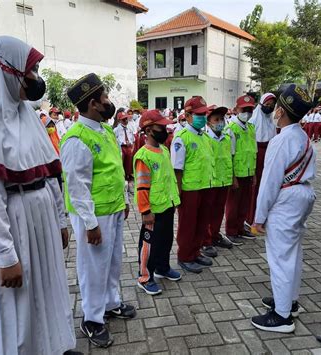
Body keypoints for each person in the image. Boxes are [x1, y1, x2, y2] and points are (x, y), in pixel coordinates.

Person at [0, 36, 76, 354]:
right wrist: (6, 257)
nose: (36, 78)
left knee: (45, 288)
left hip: (38, 217)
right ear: (7, 71)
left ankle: (51, 347)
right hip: (9, 221)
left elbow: (48, 173)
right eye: (31, 70)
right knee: (12, 303)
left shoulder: (25, 114)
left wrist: (60, 219)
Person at [61, 73, 135, 348]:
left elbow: (115, 169)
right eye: (104, 98)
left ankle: (111, 303)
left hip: (113, 209)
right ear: (93, 104)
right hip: (95, 217)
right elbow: (77, 186)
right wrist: (90, 224)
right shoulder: (76, 138)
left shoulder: (104, 131)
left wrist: (125, 201)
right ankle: (92, 318)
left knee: (113, 262)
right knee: (93, 268)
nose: (108, 102)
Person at [251, 84, 315, 333]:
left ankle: (281, 316)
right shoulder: (302, 135)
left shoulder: (281, 140)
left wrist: (259, 218)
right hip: (301, 195)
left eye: (277, 106)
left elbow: (269, 183)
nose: (274, 110)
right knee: (293, 254)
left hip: (286, 199)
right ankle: (289, 301)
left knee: (280, 258)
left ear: (282, 111)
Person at [133, 109, 181, 295]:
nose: (165, 129)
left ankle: (163, 267)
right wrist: (145, 211)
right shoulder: (143, 156)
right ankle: (145, 277)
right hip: (153, 210)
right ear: (149, 129)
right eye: (160, 126)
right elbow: (142, 187)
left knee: (166, 240)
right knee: (149, 244)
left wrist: (174, 198)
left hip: (167, 205)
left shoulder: (164, 149)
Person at [171, 96, 215, 274]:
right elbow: (177, 169)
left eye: (204, 114)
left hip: (205, 186)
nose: (203, 118)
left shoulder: (204, 136)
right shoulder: (182, 137)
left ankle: (196, 252)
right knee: (188, 225)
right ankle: (185, 256)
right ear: (187, 115)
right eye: (198, 114)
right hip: (189, 190)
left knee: (202, 223)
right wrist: (178, 193)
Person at [202, 105, 234, 256]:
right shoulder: (205, 139)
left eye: (222, 119)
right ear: (208, 123)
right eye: (216, 119)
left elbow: (230, 158)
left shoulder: (226, 138)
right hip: (210, 182)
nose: (220, 122)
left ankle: (215, 235)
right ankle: (205, 241)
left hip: (224, 181)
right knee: (207, 213)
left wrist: (232, 178)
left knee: (218, 211)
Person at [225, 95, 257, 244]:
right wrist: (232, 177)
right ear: (237, 109)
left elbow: (253, 152)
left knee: (244, 203)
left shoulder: (250, 127)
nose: (248, 113)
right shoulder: (231, 128)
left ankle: (240, 227)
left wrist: (254, 173)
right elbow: (228, 155)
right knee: (233, 205)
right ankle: (231, 231)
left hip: (249, 172)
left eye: (250, 109)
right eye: (244, 110)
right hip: (236, 173)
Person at [247, 93, 277, 235]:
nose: (269, 107)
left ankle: (264, 217)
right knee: (256, 188)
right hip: (257, 156)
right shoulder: (253, 121)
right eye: (267, 104)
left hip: (269, 156)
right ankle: (252, 218)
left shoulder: (271, 120)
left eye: (272, 105)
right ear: (261, 104)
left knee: (268, 187)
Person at [113, 112, 135, 189]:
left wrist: (132, 146)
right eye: (124, 119)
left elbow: (132, 138)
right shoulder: (116, 130)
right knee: (121, 162)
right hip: (121, 147)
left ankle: (128, 177)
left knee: (129, 163)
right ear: (119, 120)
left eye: (126, 119)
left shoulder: (129, 128)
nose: (126, 120)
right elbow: (114, 140)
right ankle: (121, 177)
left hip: (128, 147)